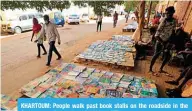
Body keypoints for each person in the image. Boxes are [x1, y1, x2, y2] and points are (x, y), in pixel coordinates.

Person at [149, 6, 177, 76]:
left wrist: (172, 41)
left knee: (167, 56)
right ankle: (150, 69)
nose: (167, 15)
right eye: (166, 13)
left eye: (169, 13)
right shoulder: (164, 21)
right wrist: (163, 43)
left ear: (173, 12)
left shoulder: (174, 21)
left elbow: (173, 31)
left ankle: (161, 69)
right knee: (156, 54)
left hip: (168, 41)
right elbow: (156, 35)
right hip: (160, 40)